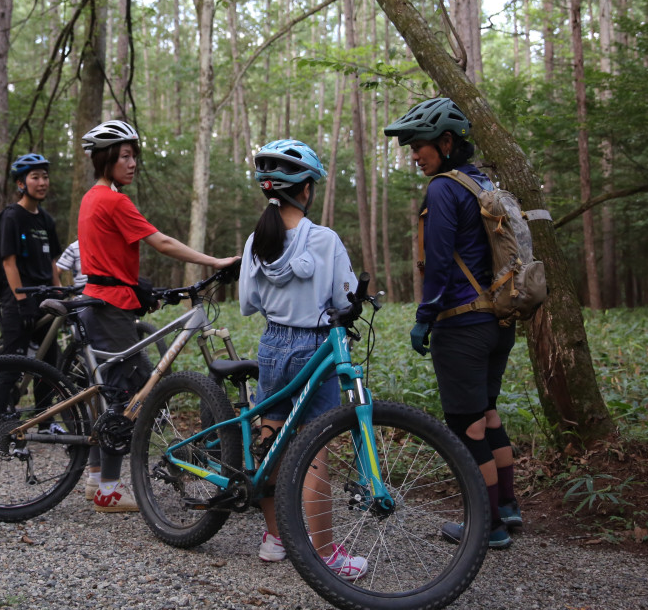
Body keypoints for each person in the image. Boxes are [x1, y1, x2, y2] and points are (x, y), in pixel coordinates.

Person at [77, 119, 239, 512]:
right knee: (127, 395)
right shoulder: (115, 201)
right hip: (110, 307)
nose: (133, 163)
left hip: (101, 301)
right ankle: (108, 492)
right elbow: (161, 242)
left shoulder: (91, 198)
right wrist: (215, 261)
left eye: (135, 156)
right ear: (107, 158)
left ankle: (96, 479)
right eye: (126, 156)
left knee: (112, 390)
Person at [384, 96, 520, 549]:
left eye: (418, 145)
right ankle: (506, 507)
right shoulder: (481, 182)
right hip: (498, 321)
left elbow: (439, 261)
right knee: (488, 413)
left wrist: (425, 317)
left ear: (445, 141)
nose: (414, 155)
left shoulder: (444, 188)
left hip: (462, 325)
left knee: (467, 426)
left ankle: (487, 528)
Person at [237, 139, 367, 580]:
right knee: (316, 454)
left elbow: (247, 303)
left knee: (270, 442)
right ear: (306, 190)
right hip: (316, 345)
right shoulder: (324, 239)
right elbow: (344, 297)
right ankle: (326, 553)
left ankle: (275, 540)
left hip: (273, 344)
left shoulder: (257, 239)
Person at [0, 154, 63, 421]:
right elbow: (9, 263)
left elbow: (53, 262)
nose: (42, 182)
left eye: (45, 176)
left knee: (49, 365)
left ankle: (45, 423)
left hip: (44, 300)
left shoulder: (46, 220)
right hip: (19, 299)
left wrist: (59, 293)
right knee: (11, 366)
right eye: (35, 177)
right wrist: (22, 302)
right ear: (21, 183)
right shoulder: (12, 217)